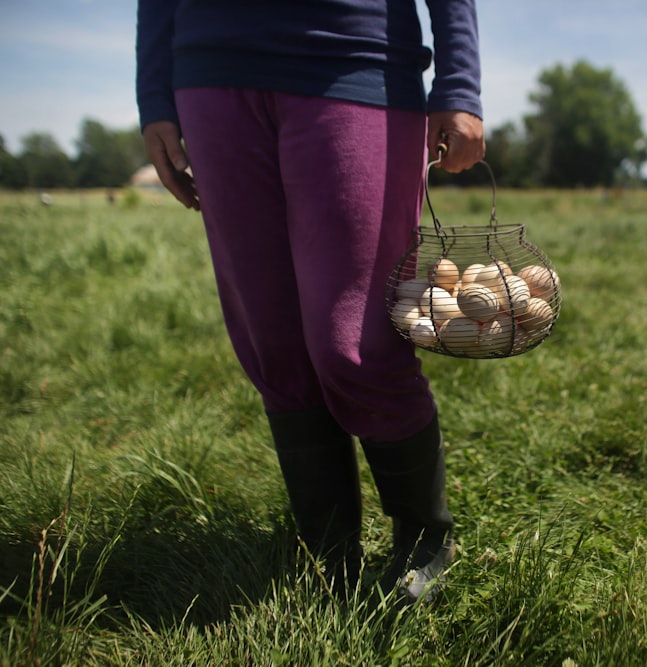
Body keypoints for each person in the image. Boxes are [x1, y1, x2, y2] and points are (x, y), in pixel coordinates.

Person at [135, 0, 485, 603]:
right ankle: (330, 549)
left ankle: (427, 535)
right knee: (273, 340)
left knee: (353, 342)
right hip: (211, 75)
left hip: (353, 61)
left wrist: (458, 80)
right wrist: (155, 97)